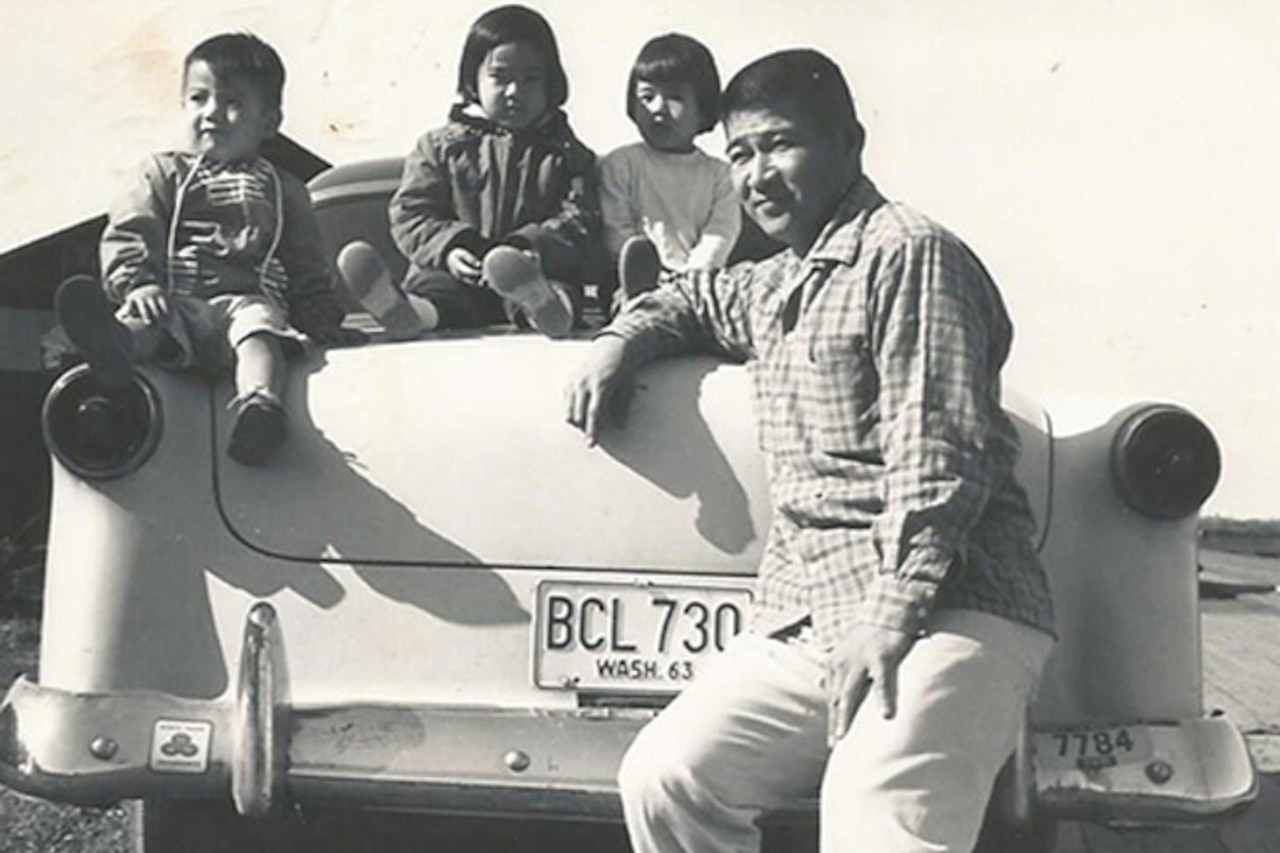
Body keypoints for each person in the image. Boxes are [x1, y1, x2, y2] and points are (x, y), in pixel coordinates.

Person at [564, 48, 1056, 852]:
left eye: (780, 144)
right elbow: (691, 295)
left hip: (948, 605)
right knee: (668, 777)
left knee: (877, 818)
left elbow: (940, 449)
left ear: (849, 145)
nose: (758, 174)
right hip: (810, 617)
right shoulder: (780, 281)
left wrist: (891, 616)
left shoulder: (907, 252)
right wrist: (619, 342)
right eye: (741, 153)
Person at [55, 32, 357, 466]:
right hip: (178, 301)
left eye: (232, 102)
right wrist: (138, 284)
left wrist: (322, 319)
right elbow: (132, 228)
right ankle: (115, 349)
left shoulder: (283, 188)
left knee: (260, 333)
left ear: (269, 122)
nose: (212, 113)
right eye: (199, 98)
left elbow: (307, 265)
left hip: (246, 302)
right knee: (147, 321)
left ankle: (260, 406)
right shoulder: (162, 173)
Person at [338, 4, 598, 340]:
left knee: (558, 288)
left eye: (531, 78)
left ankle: (550, 312)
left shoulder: (568, 156)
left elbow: (582, 218)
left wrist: (531, 248)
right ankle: (405, 312)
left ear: (552, 82)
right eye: (500, 77)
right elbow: (412, 212)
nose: (515, 91)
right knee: (436, 292)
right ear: (472, 79)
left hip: (535, 272)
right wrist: (450, 249)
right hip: (456, 274)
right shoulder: (439, 146)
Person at [598, 33, 740, 310]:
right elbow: (617, 228)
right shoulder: (622, 163)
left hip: (698, 280)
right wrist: (650, 272)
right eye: (647, 97)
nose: (657, 109)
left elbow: (721, 232)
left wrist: (694, 274)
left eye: (675, 97)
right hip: (630, 278)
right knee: (627, 303)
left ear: (703, 108)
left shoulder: (721, 175)